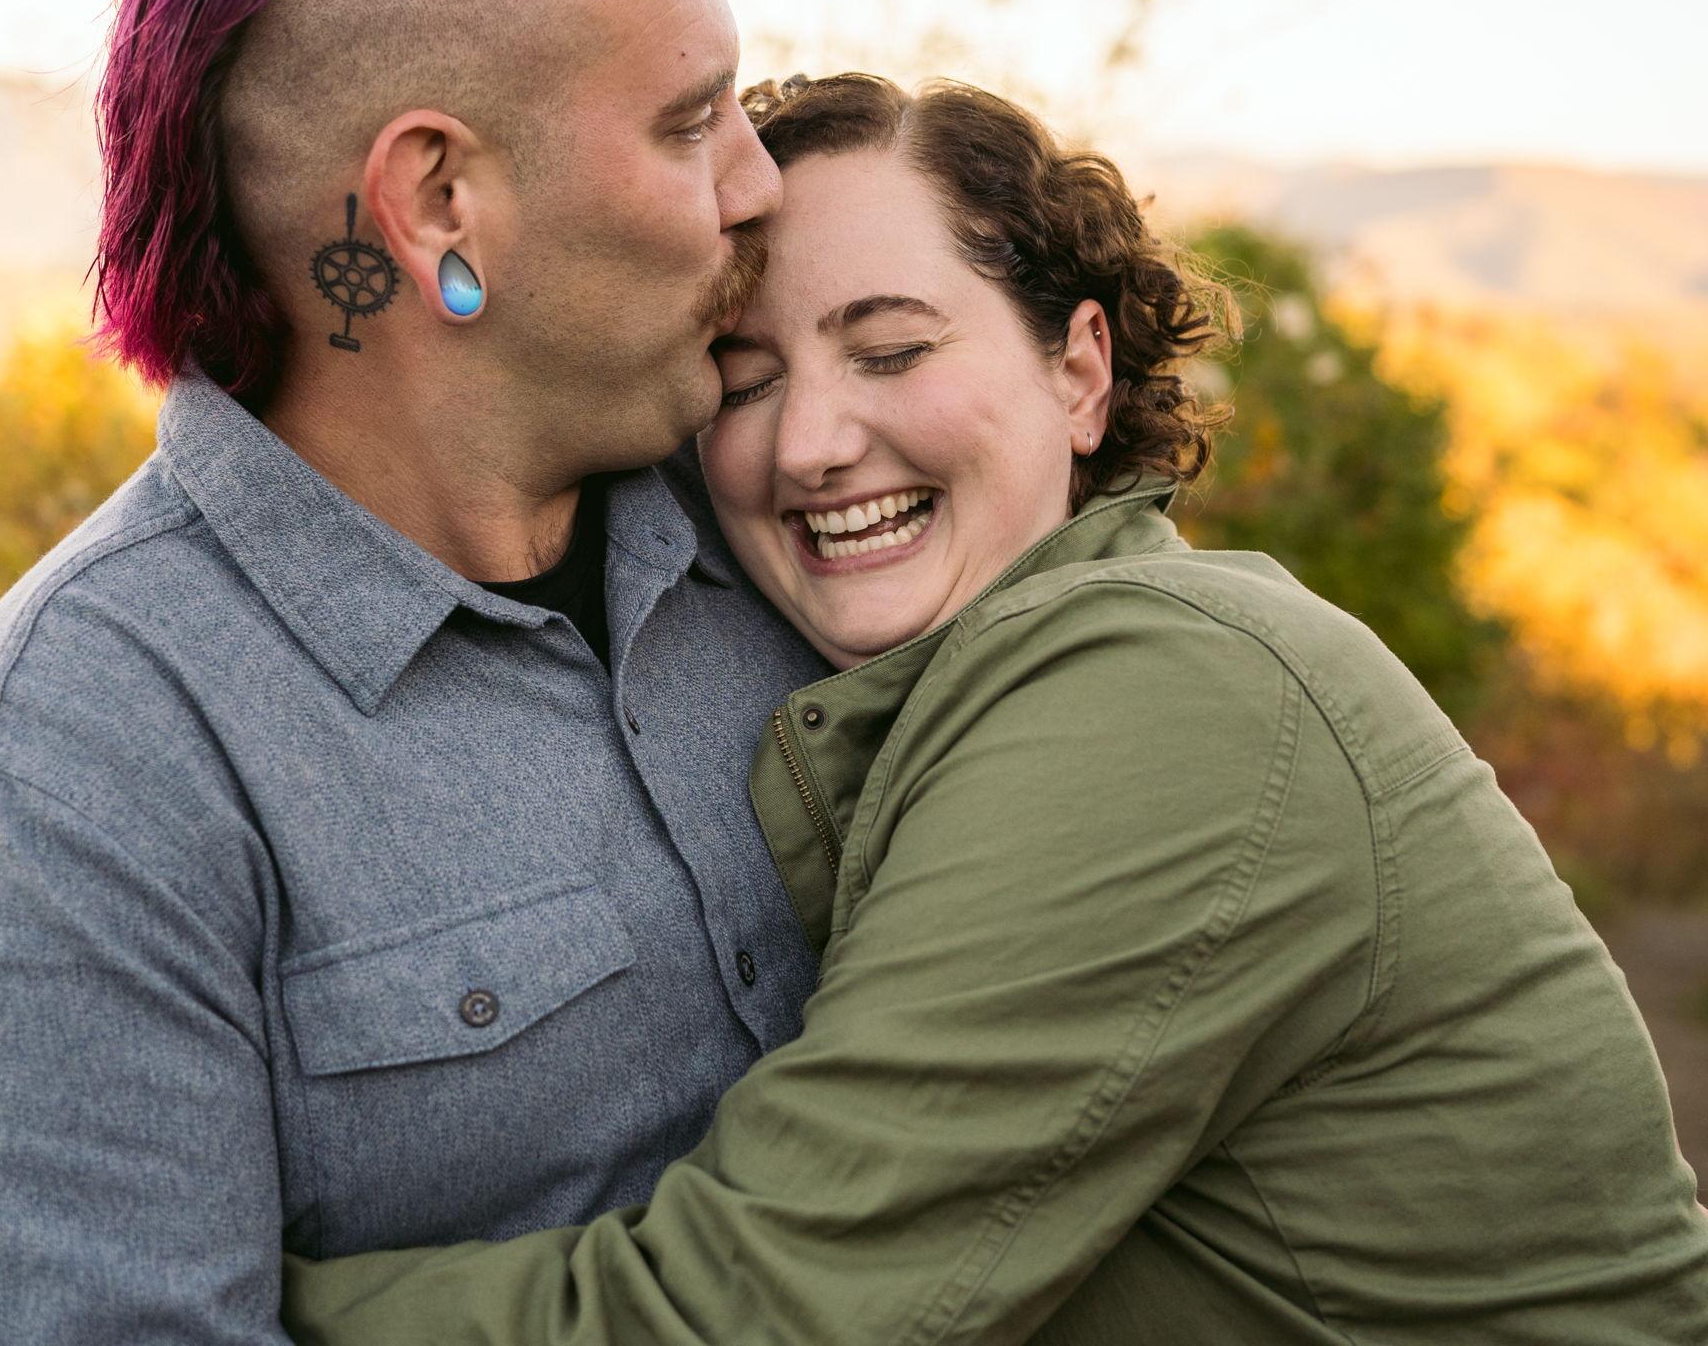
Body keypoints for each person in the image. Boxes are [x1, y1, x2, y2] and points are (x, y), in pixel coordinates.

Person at [282, 73, 1708, 1343]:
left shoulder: (1159, 694)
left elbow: (765, 1310)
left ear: (1079, 371)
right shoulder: (992, 670)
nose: (811, 444)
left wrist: (208, 1299)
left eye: (893, 350)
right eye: (748, 379)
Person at [0, 0, 833, 1342]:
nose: (760, 183)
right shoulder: (64, 784)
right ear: (438, 203)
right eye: (689, 123)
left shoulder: (802, 516)